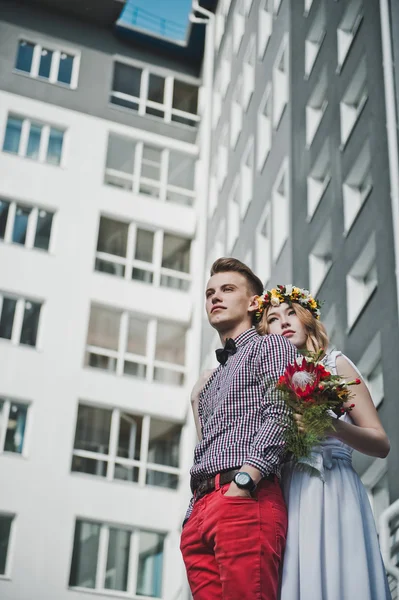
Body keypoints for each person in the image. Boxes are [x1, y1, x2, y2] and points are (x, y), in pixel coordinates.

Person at [256, 284, 391, 600]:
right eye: (274, 318)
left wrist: (332, 427)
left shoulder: (336, 364)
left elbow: (381, 443)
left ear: (307, 319)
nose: (285, 322)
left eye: (292, 313)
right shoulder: (266, 381)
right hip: (287, 493)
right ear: (266, 332)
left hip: (332, 487)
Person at [180, 258, 298, 600]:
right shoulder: (211, 379)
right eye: (209, 293)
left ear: (252, 303)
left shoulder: (270, 345)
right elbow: (206, 443)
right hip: (200, 512)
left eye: (227, 290)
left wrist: (246, 481)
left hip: (244, 497)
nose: (215, 297)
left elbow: (282, 412)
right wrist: (192, 516)